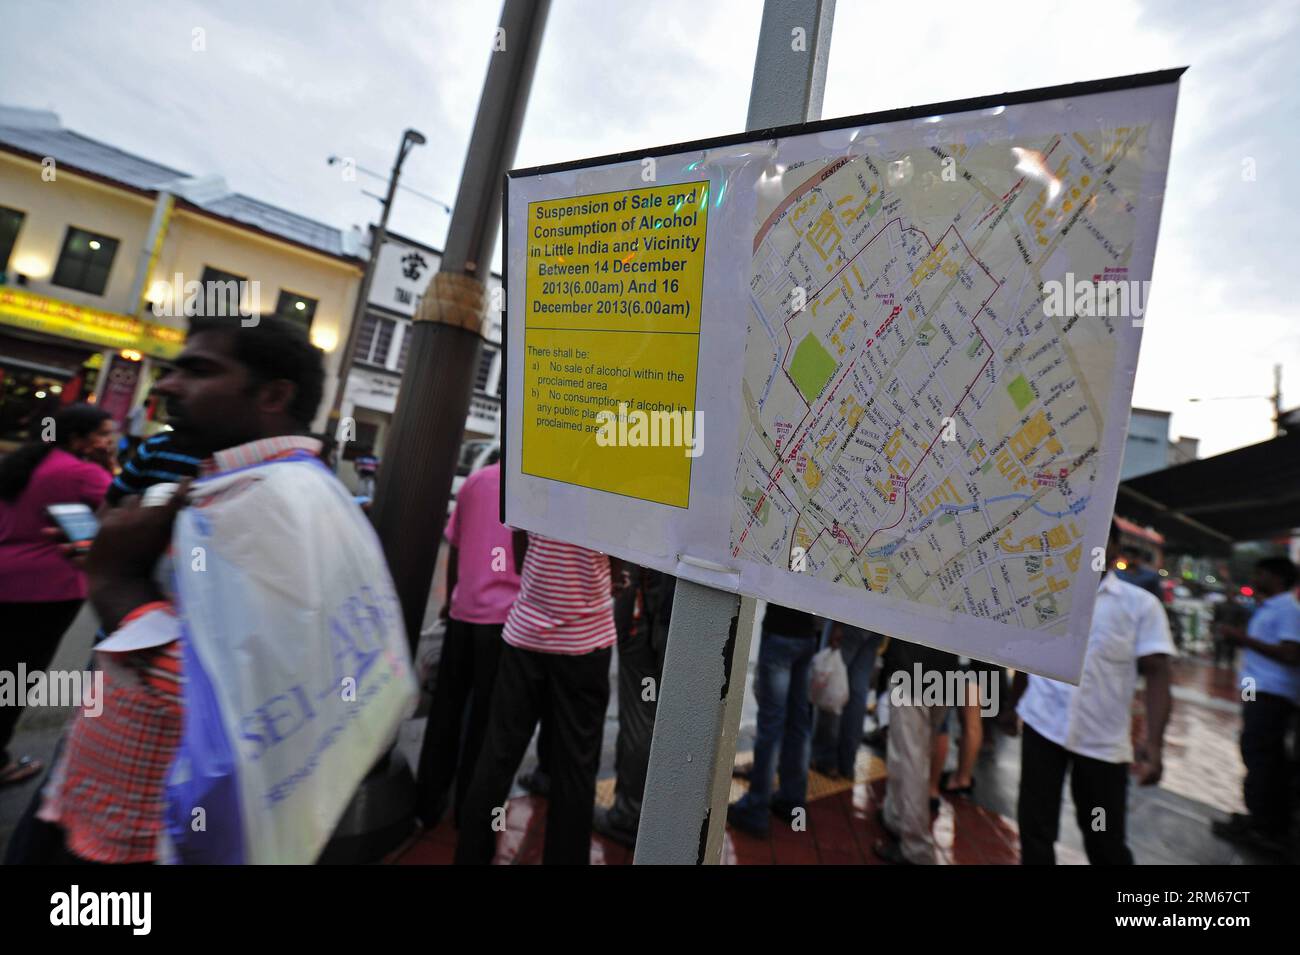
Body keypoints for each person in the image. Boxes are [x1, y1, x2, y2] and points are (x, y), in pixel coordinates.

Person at [37, 315, 415, 864]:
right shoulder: (274, 486)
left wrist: (114, 582)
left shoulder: (265, 504)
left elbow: (235, 700)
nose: (167, 384)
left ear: (273, 394)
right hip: (116, 805)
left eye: (198, 370)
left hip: (149, 832)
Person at [1010, 519, 1174, 865]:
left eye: (1100, 541)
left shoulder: (1140, 606)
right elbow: (1029, 654)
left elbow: (1158, 675)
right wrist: (1011, 706)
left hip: (1101, 743)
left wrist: (1155, 744)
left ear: (1115, 550)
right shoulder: (1048, 593)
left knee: (1104, 838)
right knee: (1035, 828)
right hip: (1043, 727)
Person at [455, 532, 620, 865]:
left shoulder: (526, 478)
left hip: (525, 636)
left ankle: (470, 856)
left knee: (497, 757)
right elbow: (618, 562)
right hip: (586, 642)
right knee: (575, 769)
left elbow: (517, 551)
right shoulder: (609, 481)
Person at [0, 403, 115, 786]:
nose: (109, 441)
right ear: (78, 439)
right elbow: (121, 511)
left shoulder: (22, 463)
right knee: (17, 675)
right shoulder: (83, 474)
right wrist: (109, 464)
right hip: (46, 589)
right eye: (102, 434)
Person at [414, 452, 521, 829]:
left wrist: (451, 598)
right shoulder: (531, 491)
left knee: (446, 710)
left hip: (463, 614)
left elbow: (455, 545)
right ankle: (470, 811)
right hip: (505, 623)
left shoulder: (475, 482)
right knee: (487, 723)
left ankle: (427, 802)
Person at [1212, 556, 1300, 854]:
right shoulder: (1271, 606)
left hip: (1272, 694)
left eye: (1260, 573)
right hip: (1257, 691)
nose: (1255, 576)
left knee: (1262, 756)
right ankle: (1258, 818)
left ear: (1276, 577)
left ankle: (1266, 826)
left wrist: (1242, 639)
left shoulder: (1287, 609)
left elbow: (1291, 653)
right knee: (1256, 751)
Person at [593, 567, 674, 848]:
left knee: (640, 717)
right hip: (676, 615)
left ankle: (629, 813)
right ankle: (662, 813)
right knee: (670, 720)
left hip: (645, 614)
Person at [727, 604, 823, 837]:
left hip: (780, 631)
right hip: (807, 636)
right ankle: (792, 801)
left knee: (771, 724)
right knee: (799, 722)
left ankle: (757, 807)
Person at [874, 637, 957, 865]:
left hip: (910, 669)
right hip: (946, 670)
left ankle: (915, 848)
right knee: (913, 753)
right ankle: (895, 816)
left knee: (910, 759)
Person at [812, 621, 885, 781]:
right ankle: (847, 762)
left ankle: (826, 759)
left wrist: (837, 624)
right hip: (878, 622)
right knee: (858, 690)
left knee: (833, 684)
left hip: (851, 617)